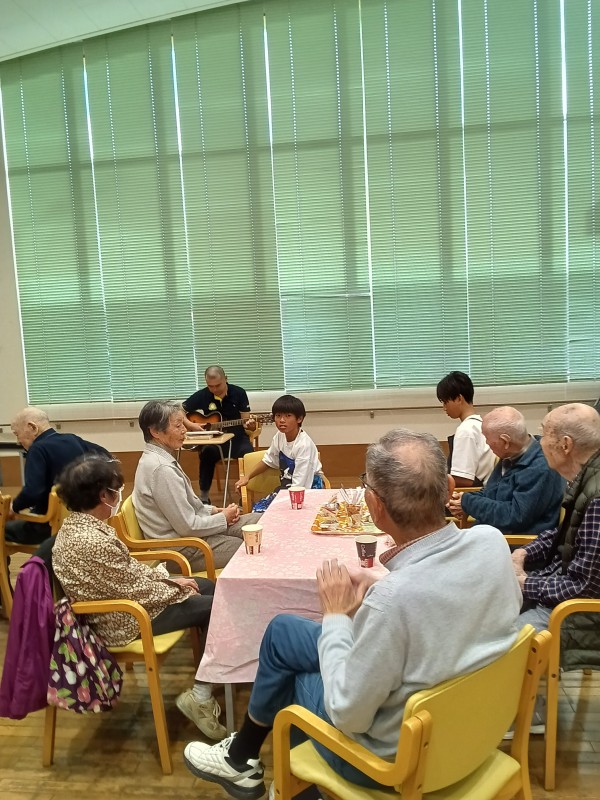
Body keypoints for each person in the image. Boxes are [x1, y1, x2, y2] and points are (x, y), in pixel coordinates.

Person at [183, 429, 522, 799]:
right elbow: (449, 600)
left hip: (391, 764)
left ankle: (294, 788)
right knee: (283, 631)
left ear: (374, 506)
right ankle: (240, 758)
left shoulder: (393, 600)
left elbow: (347, 713)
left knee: (295, 676)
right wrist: (379, 587)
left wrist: (335, 616)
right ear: (449, 488)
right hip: (478, 732)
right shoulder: (491, 542)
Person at [51, 454, 226, 741]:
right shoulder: (92, 541)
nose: (119, 495)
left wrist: (173, 581)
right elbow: (133, 589)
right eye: (115, 490)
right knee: (218, 607)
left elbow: (128, 574)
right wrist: (176, 587)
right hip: (124, 620)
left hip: (126, 604)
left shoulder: (79, 527)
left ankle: (215, 669)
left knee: (206, 586)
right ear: (102, 495)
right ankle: (201, 695)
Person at [133, 400, 262, 571]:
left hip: (190, 537)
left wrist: (214, 511)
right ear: (155, 431)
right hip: (181, 550)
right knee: (250, 545)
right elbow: (188, 527)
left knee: (259, 521)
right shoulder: (161, 469)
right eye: (178, 425)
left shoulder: (160, 458)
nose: (184, 430)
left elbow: (185, 508)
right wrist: (223, 518)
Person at [513, 403, 600, 632]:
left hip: (578, 616)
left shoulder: (597, 499)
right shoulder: (584, 479)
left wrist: (525, 584)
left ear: (565, 445)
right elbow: (566, 534)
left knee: (498, 642)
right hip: (558, 591)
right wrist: (524, 552)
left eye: (544, 434)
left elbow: (583, 588)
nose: (539, 442)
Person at [447, 406, 565, 534]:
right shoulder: (510, 455)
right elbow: (490, 493)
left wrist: (468, 503)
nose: (487, 443)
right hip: (491, 533)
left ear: (505, 441)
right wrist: (463, 500)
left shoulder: (540, 467)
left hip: (517, 541)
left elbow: (514, 517)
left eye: (487, 438)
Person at [6, 406, 109, 544]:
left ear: (32, 427)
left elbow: (33, 492)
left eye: (16, 434)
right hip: (77, 522)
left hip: (46, 527)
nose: (18, 441)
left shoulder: (37, 449)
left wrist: (13, 507)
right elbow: (106, 456)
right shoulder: (72, 439)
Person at [235, 394, 324, 512]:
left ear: (299, 419)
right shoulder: (279, 436)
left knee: (273, 514)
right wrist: (247, 477)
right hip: (286, 488)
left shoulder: (304, 445)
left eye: (288, 416)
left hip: (307, 489)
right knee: (258, 511)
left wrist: (281, 506)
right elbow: (268, 461)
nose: (282, 420)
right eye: (278, 415)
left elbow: (300, 485)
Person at [183, 366, 255, 504]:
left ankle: (245, 496)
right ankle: (204, 498)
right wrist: (191, 425)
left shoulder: (239, 393)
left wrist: (250, 425)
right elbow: (178, 410)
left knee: (248, 453)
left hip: (237, 438)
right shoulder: (203, 395)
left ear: (225, 379)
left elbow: (246, 421)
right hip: (214, 441)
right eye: (211, 386)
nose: (214, 389)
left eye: (218, 385)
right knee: (206, 453)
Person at [436, 370, 495, 487]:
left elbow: (464, 479)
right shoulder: (481, 425)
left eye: (445, 402)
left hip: (476, 492)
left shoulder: (466, 430)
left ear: (459, 398)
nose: (444, 408)